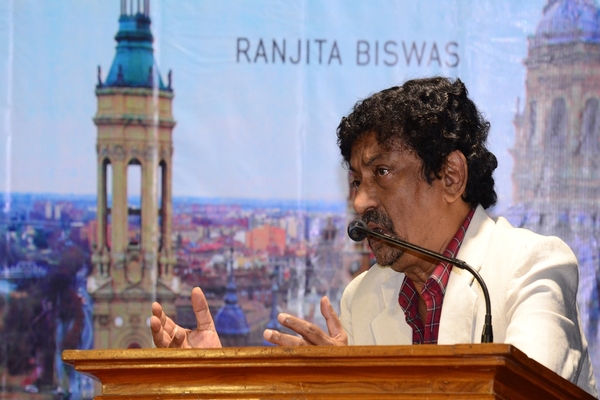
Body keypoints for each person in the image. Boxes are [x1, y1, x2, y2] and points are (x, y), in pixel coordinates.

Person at [150, 76, 598, 396]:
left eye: (381, 172)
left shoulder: (531, 268)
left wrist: (360, 386)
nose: (360, 201)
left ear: (450, 176)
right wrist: (215, 380)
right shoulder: (362, 298)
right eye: (355, 181)